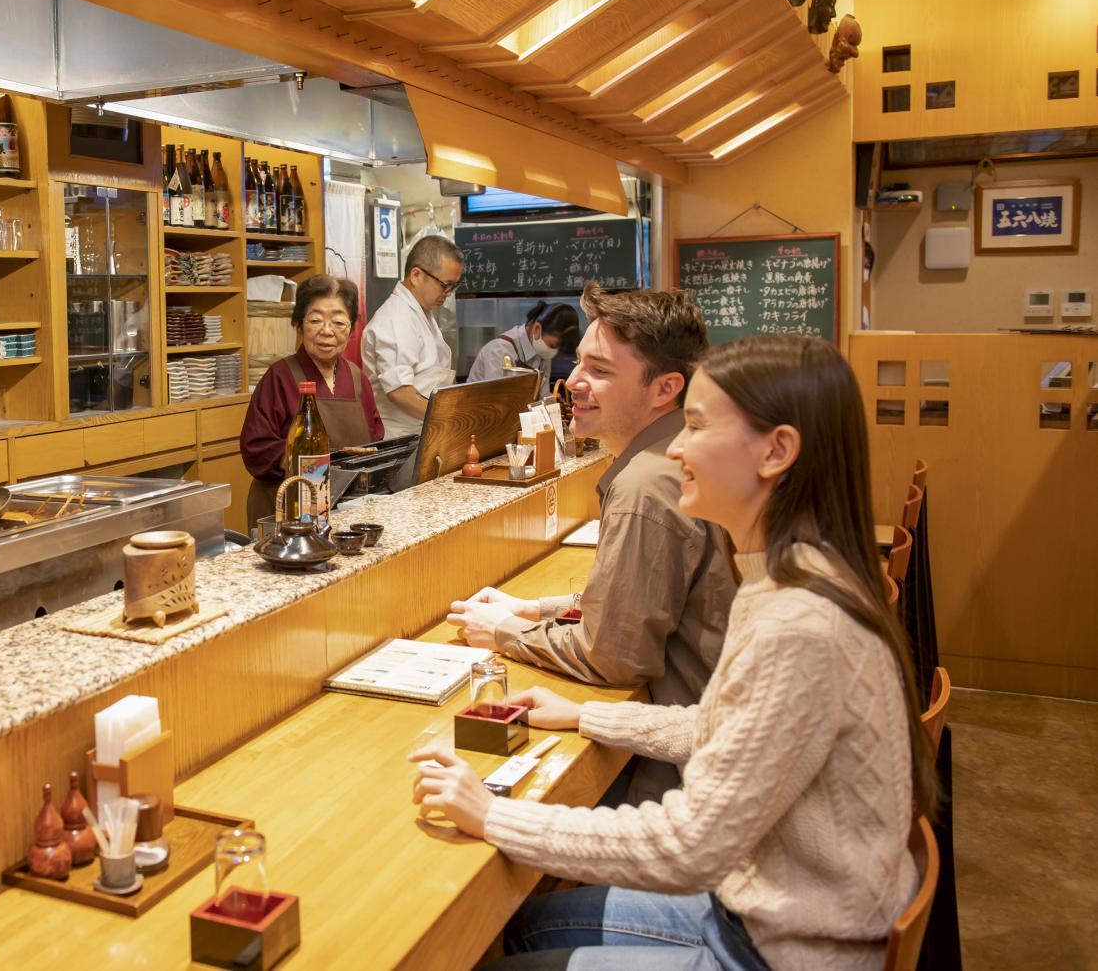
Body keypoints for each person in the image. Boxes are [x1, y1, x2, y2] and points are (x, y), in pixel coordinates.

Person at [412, 333, 939, 971]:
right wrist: (586, 717)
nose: (679, 447)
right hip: (758, 908)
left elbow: (688, 845)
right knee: (520, 927)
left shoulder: (800, 620)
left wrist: (493, 815)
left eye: (696, 426)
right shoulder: (789, 573)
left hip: (786, 949)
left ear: (777, 451)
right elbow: (726, 725)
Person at [445, 283, 734, 801]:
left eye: (600, 371)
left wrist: (506, 632)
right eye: (578, 363)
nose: (573, 381)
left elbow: (615, 658)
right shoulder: (674, 451)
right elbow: (642, 602)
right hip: (701, 739)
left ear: (665, 387)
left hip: (684, 778)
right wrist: (535, 608)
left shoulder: (646, 483)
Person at [240, 276, 384, 528]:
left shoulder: (357, 378)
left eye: (338, 322)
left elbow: (375, 438)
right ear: (298, 326)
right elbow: (256, 449)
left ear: (350, 329)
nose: (326, 331)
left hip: (346, 511)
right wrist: (301, 457)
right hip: (288, 512)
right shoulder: (280, 377)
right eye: (315, 320)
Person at [361, 234, 463, 439]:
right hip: (400, 440)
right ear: (416, 275)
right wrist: (450, 418)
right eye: (445, 285)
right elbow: (400, 392)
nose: (448, 293)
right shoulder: (396, 317)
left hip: (422, 431)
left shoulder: (420, 311)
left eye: (454, 287)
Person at [467, 300, 582, 388]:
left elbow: (543, 398)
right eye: (553, 345)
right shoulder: (499, 351)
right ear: (537, 329)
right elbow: (497, 401)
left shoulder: (543, 354)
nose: (554, 352)